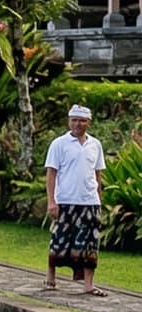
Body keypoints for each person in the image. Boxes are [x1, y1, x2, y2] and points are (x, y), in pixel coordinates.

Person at [45, 104, 107, 296]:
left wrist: (99, 198)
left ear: (89, 122)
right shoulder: (59, 144)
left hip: (89, 202)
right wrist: (51, 201)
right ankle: (50, 277)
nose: (77, 124)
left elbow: (97, 174)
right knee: (59, 239)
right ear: (69, 121)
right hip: (65, 200)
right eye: (74, 120)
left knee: (90, 243)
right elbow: (51, 173)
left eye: (82, 121)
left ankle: (88, 284)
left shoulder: (95, 144)